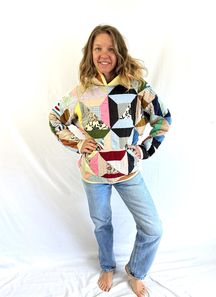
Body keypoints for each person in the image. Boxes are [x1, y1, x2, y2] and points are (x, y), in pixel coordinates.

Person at [49, 24, 171, 297]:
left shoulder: (136, 86)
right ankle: (107, 265)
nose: (104, 54)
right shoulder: (81, 92)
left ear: (119, 52)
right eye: (98, 48)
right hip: (93, 175)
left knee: (153, 228)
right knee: (102, 223)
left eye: (110, 49)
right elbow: (55, 118)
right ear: (90, 53)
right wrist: (79, 143)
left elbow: (163, 118)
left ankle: (136, 271)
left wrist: (146, 148)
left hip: (128, 173)